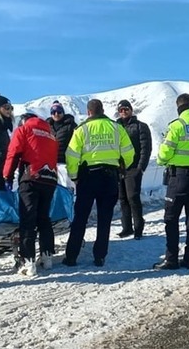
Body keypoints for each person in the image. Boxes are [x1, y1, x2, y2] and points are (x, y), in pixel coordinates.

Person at [63, 99, 134, 267]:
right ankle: (100, 256)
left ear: (89, 112)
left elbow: (71, 155)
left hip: (88, 177)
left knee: (80, 217)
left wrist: (74, 176)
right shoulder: (117, 128)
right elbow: (129, 152)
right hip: (110, 177)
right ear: (103, 110)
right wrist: (123, 166)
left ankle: (72, 256)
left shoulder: (81, 130)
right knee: (105, 218)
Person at [153, 93, 189, 271]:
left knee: (171, 219)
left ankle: (171, 259)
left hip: (178, 177)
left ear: (179, 108)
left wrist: (162, 160)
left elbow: (164, 153)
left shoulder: (177, 126)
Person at [3, 112, 59, 276]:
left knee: (28, 219)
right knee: (44, 218)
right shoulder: (50, 134)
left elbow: (14, 153)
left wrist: (7, 176)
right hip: (50, 179)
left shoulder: (24, 130)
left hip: (31, 177)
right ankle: (47, 257)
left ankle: (28, 262)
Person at [115, 99, 152, 240]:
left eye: (126, 109)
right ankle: (126, 228)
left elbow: (146, 148)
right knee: (122, 198)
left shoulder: (140, 126)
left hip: (133, 168)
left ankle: (138, 227)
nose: (123, 112)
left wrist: (141, 168)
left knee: (133, 198)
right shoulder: (115, 127)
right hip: (119, 168)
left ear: (131, 110)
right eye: (121, 110)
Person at [46, 100, 78, 164]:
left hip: (65, 162)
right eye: (53, 112)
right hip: (50, 162)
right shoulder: (46, 126)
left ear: (63, 112)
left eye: (59, 112)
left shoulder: (71, 125)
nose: (56, 114)